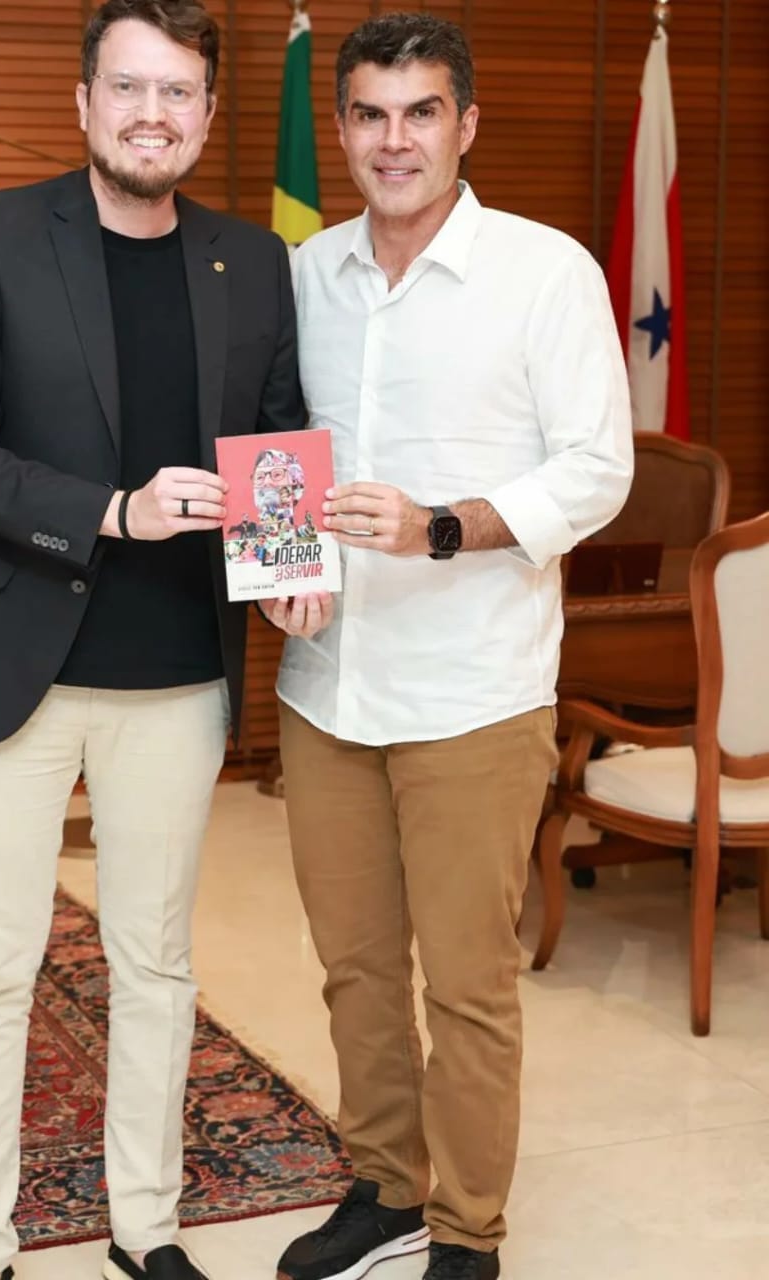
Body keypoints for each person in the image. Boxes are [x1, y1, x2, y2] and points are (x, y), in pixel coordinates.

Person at [0, 3, 328, 1279]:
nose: (152, 113)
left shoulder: (254, 259)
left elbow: (276, 439)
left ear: (206, 113)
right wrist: (111, 509)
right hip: (5, 661)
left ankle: (146, 1224)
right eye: (128, 87)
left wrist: (290, 572)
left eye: (177, 91)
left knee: (155, 961)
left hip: (178, 669)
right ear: (85, 101)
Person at [274, 14, 633, 1280]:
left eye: (420, 112)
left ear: (465, 124)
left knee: (467, 985)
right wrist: (282, 574)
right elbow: (275, 448)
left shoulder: (545, 273)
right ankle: (385, 1185)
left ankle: (469, 1230)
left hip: (473, 692)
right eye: (370, 114)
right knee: (355, 970)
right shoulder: (303, 272)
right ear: (342, 129)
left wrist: (441, 525)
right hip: (325, 687)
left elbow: (597, 469)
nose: (394, 140)